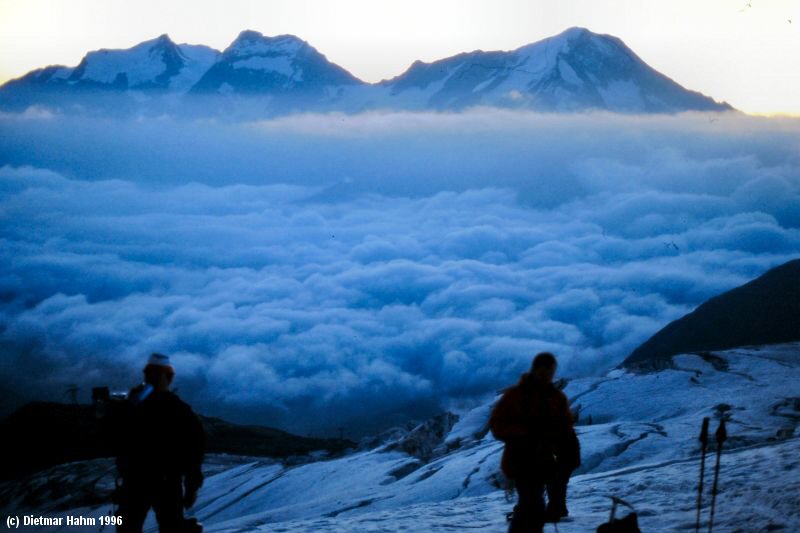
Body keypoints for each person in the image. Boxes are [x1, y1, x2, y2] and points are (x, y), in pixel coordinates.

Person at [113, 353, 206, 533]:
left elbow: (116, 434)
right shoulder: (179, 409)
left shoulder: (133, 404)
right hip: (166, 481)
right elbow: (195, 448)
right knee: (171, 525)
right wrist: (192, 486)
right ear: (168, 377)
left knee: (128, 526)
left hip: (136, 479)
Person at [489, 352, 580, 532]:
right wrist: (528, 432)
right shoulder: (516, 395)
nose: (547, 374)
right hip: (522, 459)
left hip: (544, 460)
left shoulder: (555, 397)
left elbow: (566, 426)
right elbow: (497, 426)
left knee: (532, 508)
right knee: (532, 506)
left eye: (550, 370)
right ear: (536, 369)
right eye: (544, 370)